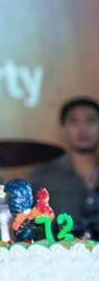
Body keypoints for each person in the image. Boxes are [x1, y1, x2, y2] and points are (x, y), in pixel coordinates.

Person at [30, 96, 99, 235]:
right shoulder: (43, 176)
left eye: (90, 121)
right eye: (74, 121)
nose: (83, 129)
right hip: (61, 247)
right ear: (63, 129)